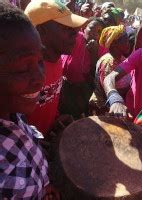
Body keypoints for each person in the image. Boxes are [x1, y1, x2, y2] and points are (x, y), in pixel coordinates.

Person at [0, 2, 49, 198]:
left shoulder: (13, 114)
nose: (40, 79)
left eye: (40, 62)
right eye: (23, 67)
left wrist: (43, 186)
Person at [24, 0, 88, 135]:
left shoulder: (57, 59)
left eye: (73, 28)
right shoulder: (24, 72)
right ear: (42, 31)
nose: (75, 33)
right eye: (66, 28)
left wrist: (55, 118)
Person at [59, 18, 105, 119]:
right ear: (85, 28)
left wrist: (94, 53)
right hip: (64, 85)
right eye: (91, 28)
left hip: (83, 90)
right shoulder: (75, 37)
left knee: (77, 117)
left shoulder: (101, 48)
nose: (94, 33)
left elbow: (96, 74)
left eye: (98, 32)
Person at [89, 24, 130, 115]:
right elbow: (106, 90)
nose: (128, 43)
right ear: (115, 43)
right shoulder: (108, 61)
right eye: (125, 40)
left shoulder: (122, 59)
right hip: (106, 108)